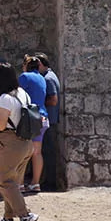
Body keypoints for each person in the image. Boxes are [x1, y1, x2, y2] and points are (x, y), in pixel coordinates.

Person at [0, 63, 38, 221]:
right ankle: (8, 218)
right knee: (13, 181)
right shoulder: (23, 93)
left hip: (10, 143)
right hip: (26, 142)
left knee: (3, 180)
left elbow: (0, 125)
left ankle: (25, 215)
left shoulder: (5, 98)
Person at [17, 54, 49, 193]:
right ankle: (35, 183)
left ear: (26, 66)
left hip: (30, 117)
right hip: (43, 117)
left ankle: (19, 184)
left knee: (23, 152)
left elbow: (17, 93)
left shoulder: (24, 77)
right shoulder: (42, 78)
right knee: (37, 152)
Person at [35, 51, 62, 191]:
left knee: (48, 151)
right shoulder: (48, 77)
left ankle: (50, 182)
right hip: (49, 119)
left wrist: (37, 102)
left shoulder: (48, 79)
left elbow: (53, 99)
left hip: (49, 120)